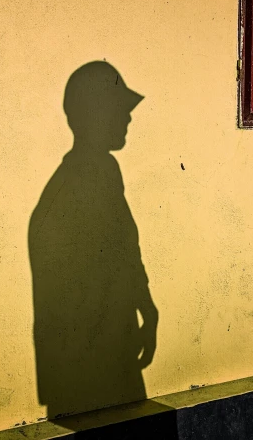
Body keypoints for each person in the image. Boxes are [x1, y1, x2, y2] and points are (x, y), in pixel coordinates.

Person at [29, 61, 159, 419]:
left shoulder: (102, 171)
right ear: (94, 114)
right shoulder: (84, 179)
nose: (128, 119)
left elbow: (126, 249)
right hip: (93, 370)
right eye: (119, 109)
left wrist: (146, 307)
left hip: (107, 358)